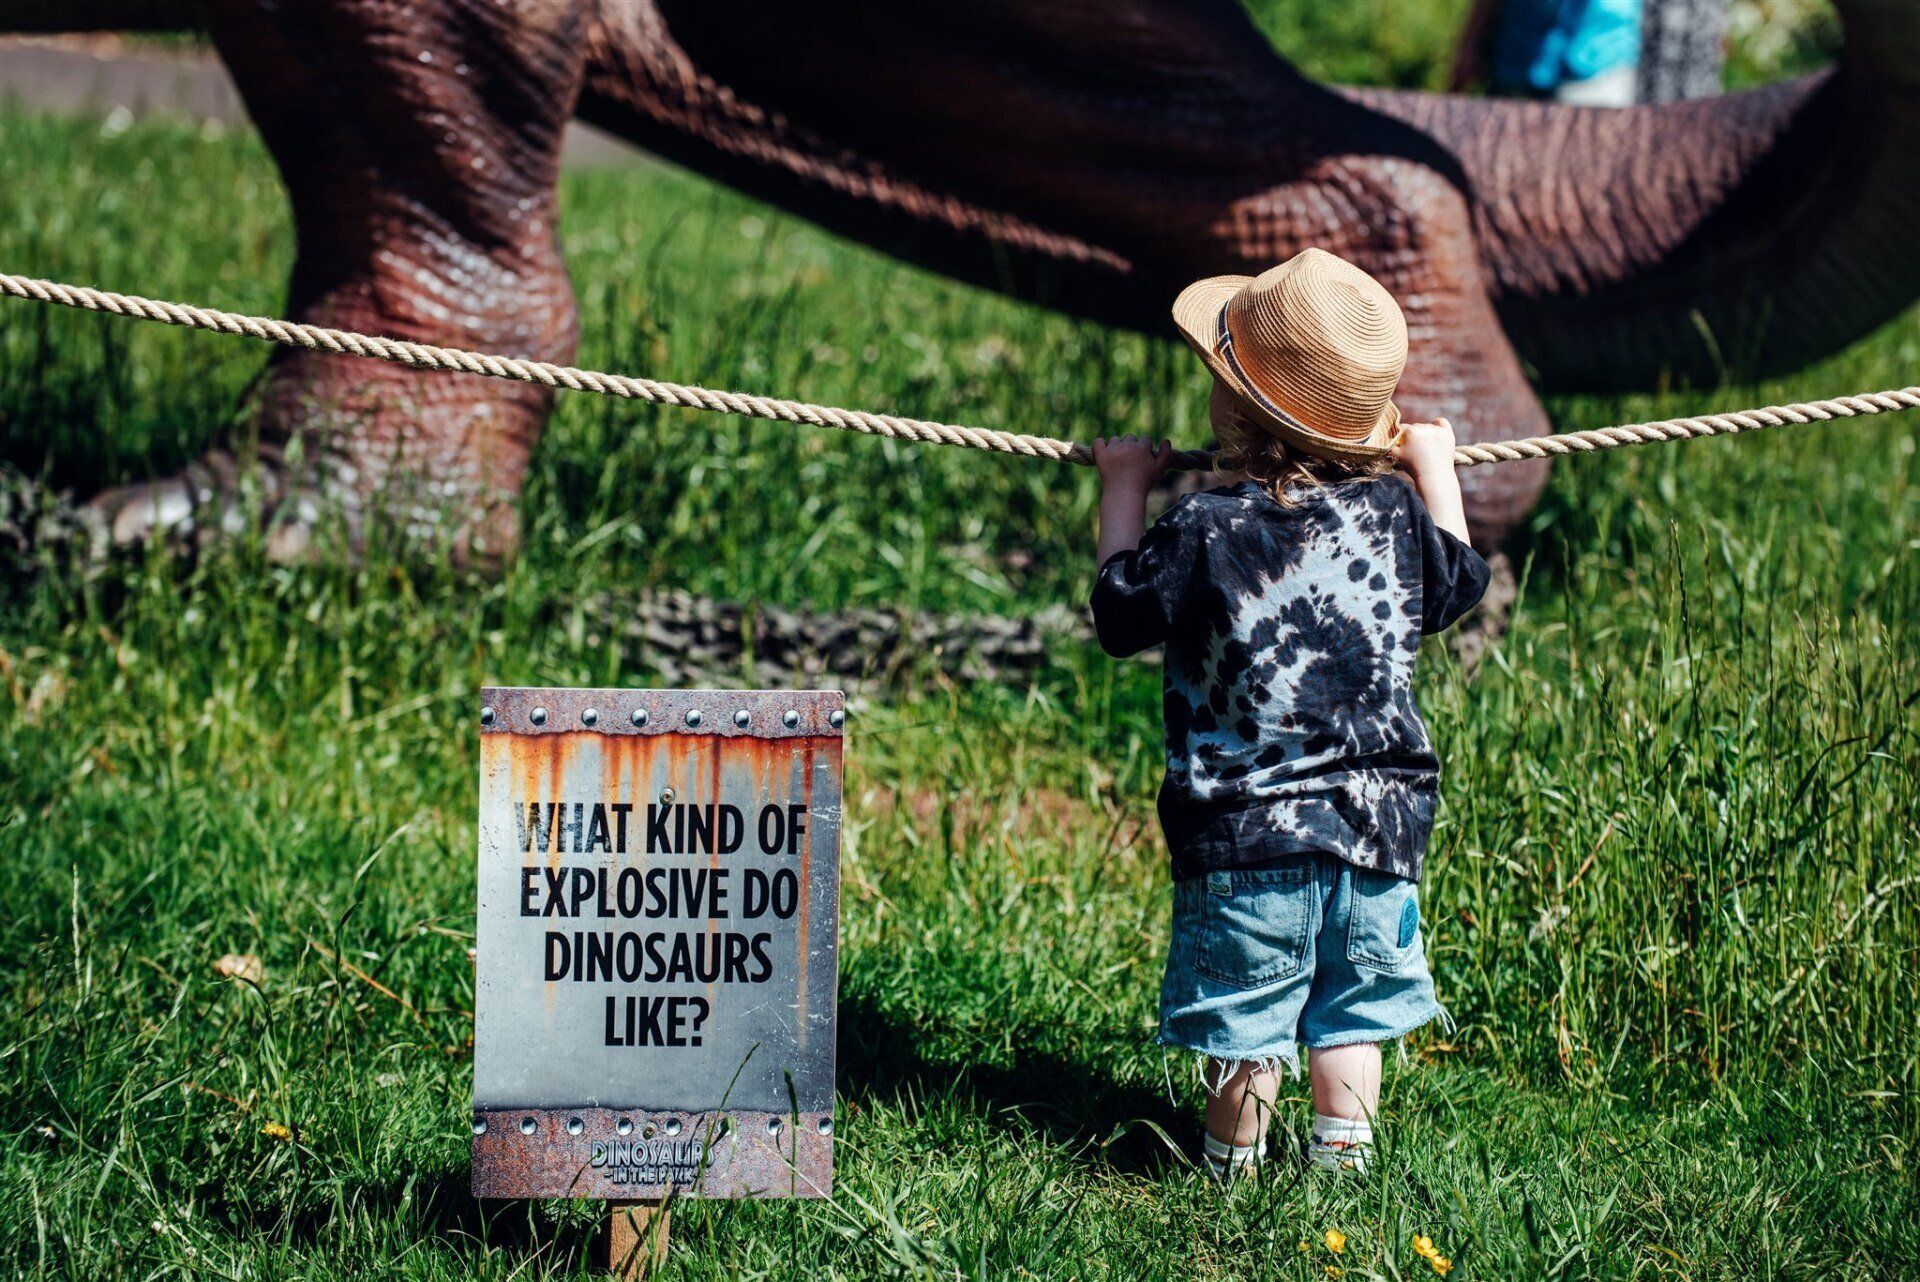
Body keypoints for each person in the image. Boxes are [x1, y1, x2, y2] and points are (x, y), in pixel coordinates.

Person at [1088, 249, 1490, 1179]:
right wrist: (1434, 468)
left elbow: (1118, 614)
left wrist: (1123, 485)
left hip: (1248, 834)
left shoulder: (1204, 527)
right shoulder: (1395, 514)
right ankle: (1338, 1177)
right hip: (1380, 835)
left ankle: (1231, 1184)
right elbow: (1459, 583)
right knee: (1352, 1018)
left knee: (1252, 1025)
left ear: (1233, 409)